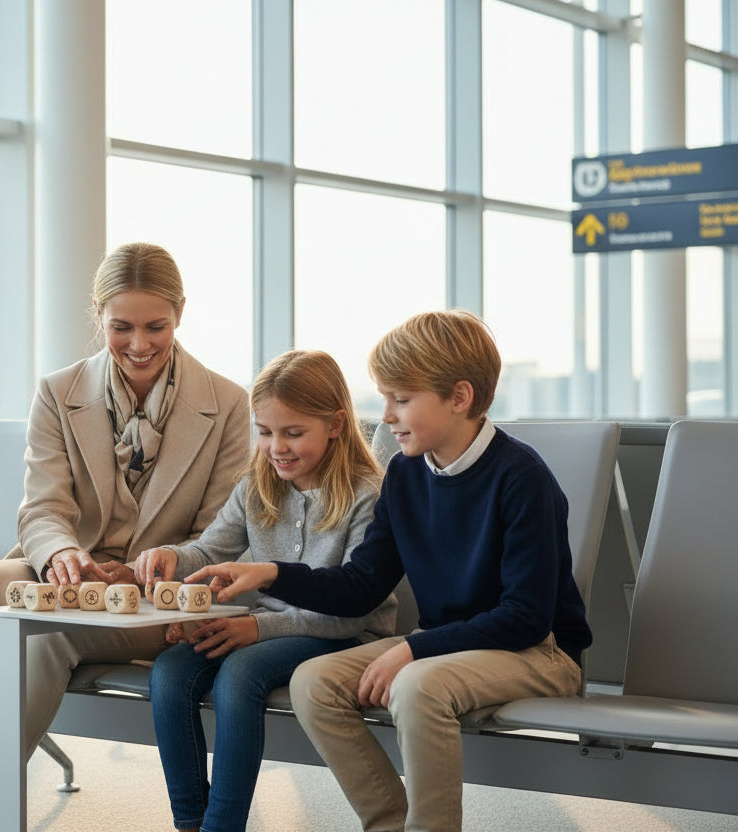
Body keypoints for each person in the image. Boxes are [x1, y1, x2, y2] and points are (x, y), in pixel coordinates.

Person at [188, 310, 593, 832]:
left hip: (541, 651)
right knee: (314, 682)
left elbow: (526, 617)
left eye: (401, 400)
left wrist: (411, 648)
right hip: (447, 646)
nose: (386, 415)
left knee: (416, 685)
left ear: (460, 397)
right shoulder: (404, 474)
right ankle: (387, 824)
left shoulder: (523, 478)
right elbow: (361, 587)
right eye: (384, 399)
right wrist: (271, 573)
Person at [0, 242, 251, 832]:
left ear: (181, 313)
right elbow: (42, 506)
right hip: (68, 574)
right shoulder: (58, 390)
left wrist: (160, 565)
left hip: (155, 599)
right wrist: (64, 554)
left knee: (47, 634)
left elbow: (223, 534)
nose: (140, 344)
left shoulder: (227, 403)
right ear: (97, 316)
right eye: (121, 326)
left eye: (157, 326)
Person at [132, 349, 396, 832]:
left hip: (344, 634)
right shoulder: (257, 485)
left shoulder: (367, 495)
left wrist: (255, 628)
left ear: (336, 424)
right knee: (170, 673)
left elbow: (354, 610)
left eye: (293, 433)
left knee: (240, 674)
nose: (277, 447)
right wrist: (172, 555)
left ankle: (222, 826)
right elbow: (210, 550)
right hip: (268, 628)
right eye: (265, 431)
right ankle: (190, 820)